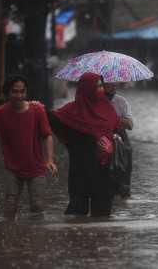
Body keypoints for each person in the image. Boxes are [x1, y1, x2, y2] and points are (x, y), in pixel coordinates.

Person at [0, 74, 57, 219]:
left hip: (36, 168)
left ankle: (38, 238)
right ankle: (10, 236)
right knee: (10, 206)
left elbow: (47, 135)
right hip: (13, 169)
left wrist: (50, 160)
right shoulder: (0, 113)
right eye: (15, 91)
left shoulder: (37, 110)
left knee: (37, 206)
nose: (19, 95)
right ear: (7, 93)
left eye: (22, 91)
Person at [49, 73, 121, 217]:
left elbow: (116, 129)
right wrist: (37, 108)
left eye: (101, 86)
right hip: (79, 170)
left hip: (103, 170)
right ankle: (77, 238)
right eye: (97, 87)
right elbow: (54, 122)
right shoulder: (71, 111)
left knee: (102, 215)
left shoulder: (108, 109)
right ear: (86, 89)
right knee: (76, 213)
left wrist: (110, 144)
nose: (101, 90)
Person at [103, 82, 134, 198]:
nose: (114, 86)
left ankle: (124, 192)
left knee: (127, 157)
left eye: (114, 84)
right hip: (101, 136)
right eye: (109, 84)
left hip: (119, 136)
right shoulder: (93, 101)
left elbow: (130, 125)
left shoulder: (121, 101)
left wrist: (113, 117)